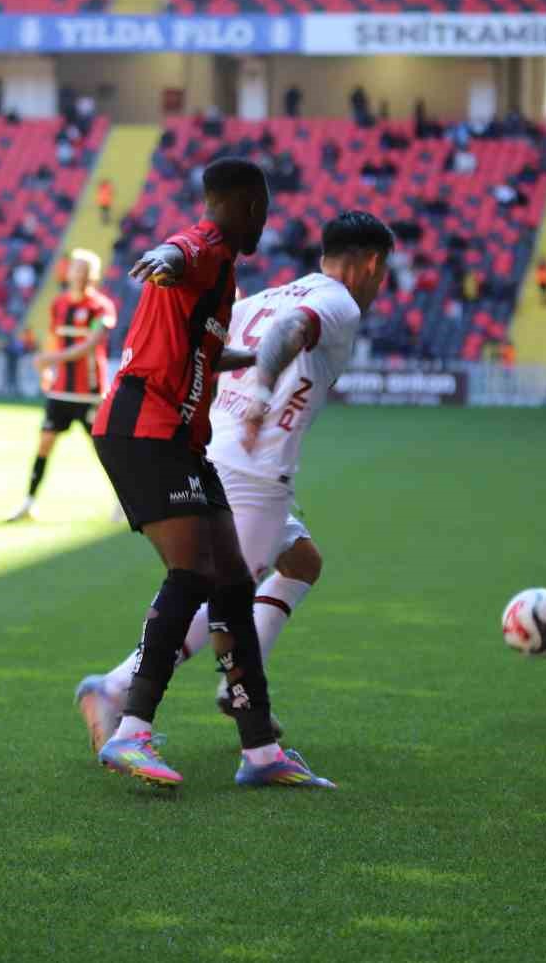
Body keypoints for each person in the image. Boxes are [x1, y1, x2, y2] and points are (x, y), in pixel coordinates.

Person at [75, 210, 394, 756]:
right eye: (383, 273)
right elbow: (294, 333)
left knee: (302, 563)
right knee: (219, 596)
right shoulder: (336, 301)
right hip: (255, 471)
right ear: (370, 264)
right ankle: (115, 688)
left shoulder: (267, 296)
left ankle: (237, 685)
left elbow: (208, 349)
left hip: (218, 455)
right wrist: (265, 389)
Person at [89, 158, 331, 790]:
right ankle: (130, 732)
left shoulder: (222, 277)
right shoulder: (208, 248)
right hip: (144, 427)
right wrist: (164, 256)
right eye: (267, 207)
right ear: (250, 204)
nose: (268, 220)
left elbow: (201, 347)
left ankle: (260, 751)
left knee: (230, 585)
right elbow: (179, 249)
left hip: (180, 437)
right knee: (193, 570)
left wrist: (251, 356)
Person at [6, 249, 117, 523]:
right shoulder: (59, 305)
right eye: (74, 267)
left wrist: (50, 359)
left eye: (82, 268)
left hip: (89, 392)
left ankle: (124, 503)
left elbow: (90, 345)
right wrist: (49, 370)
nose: (76, 272)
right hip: (61, 391)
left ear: (91, 274)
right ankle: (29, 503)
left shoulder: (100, 308)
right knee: (45, 443)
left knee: (103, 450)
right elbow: (54, 339)